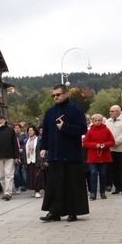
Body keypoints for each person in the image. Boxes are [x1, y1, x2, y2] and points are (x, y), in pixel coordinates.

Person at [39, 84, 89, 222]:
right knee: (55, 185)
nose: (55, 97)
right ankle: (54, 212)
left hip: (71, 154)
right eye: (53, 95)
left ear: (66, 94)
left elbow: (82, 129)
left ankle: (73, 211)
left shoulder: (75, 110)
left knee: (72, 184)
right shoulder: (50, 112)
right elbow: (46, 132)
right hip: (55, 155)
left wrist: (65, 127)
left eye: (58, 94)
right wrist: (43, 147)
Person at [82, 114, 115, 200]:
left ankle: (102, 192)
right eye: (95, 121)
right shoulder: (90, 131)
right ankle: (93, 192)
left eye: (99, 120)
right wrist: (94, 145)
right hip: (93, 157)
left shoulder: (106, 130)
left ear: (101, 121)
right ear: (93, 121)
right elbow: (85, 142)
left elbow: (112, 141)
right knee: (93, 173)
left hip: (104, 156)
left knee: (103, 174)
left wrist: (105, 145)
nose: (97, 122)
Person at [0, 114, 19, 201]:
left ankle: (8, 193)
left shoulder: (10, 130)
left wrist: (16, 156)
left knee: (9, 174)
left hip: (10, 156)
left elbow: (15, 144)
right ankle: (5, 191)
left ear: (5, 120)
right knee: (1, 176)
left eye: (1, 119)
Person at [105, 105, 122, 196]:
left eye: (113, 111)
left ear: (118, 112)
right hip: (111, 149)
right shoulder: (108, 121)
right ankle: (117, 186)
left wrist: (116, 142)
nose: (111, 113)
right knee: (114, 169)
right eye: (110, 111)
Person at [24, 125, 45, 198]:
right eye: (28, 130)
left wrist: (43, 159)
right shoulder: (26, 140)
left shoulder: (39, 139)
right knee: (31, 176)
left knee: (38, 175)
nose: (29, 132)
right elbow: (24, 151)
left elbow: (42, 149)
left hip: (37, 160)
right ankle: (34, 189)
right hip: (29, 161)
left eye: (31, 130)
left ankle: (37, 190)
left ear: (35, 131)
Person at [13, 123, 28, 194]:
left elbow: (26, 143)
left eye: (17, 128)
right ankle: (18, 185)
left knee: (23, 170)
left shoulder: (24, 135)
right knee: (17, 172)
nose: (16, 129)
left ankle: (24, 184)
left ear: (20, 128)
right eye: (15, 128)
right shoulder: (13, 136)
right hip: (16, 155)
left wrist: (22, 149)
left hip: (23, 155)